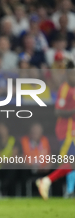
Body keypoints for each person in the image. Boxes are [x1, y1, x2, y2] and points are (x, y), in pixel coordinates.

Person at [36, 60, 75, 200]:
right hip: (66, 130)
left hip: (72, 129)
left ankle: (46, 181)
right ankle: (47, 181)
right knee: (72, 161)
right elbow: (58, 111)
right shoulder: (65, 89)